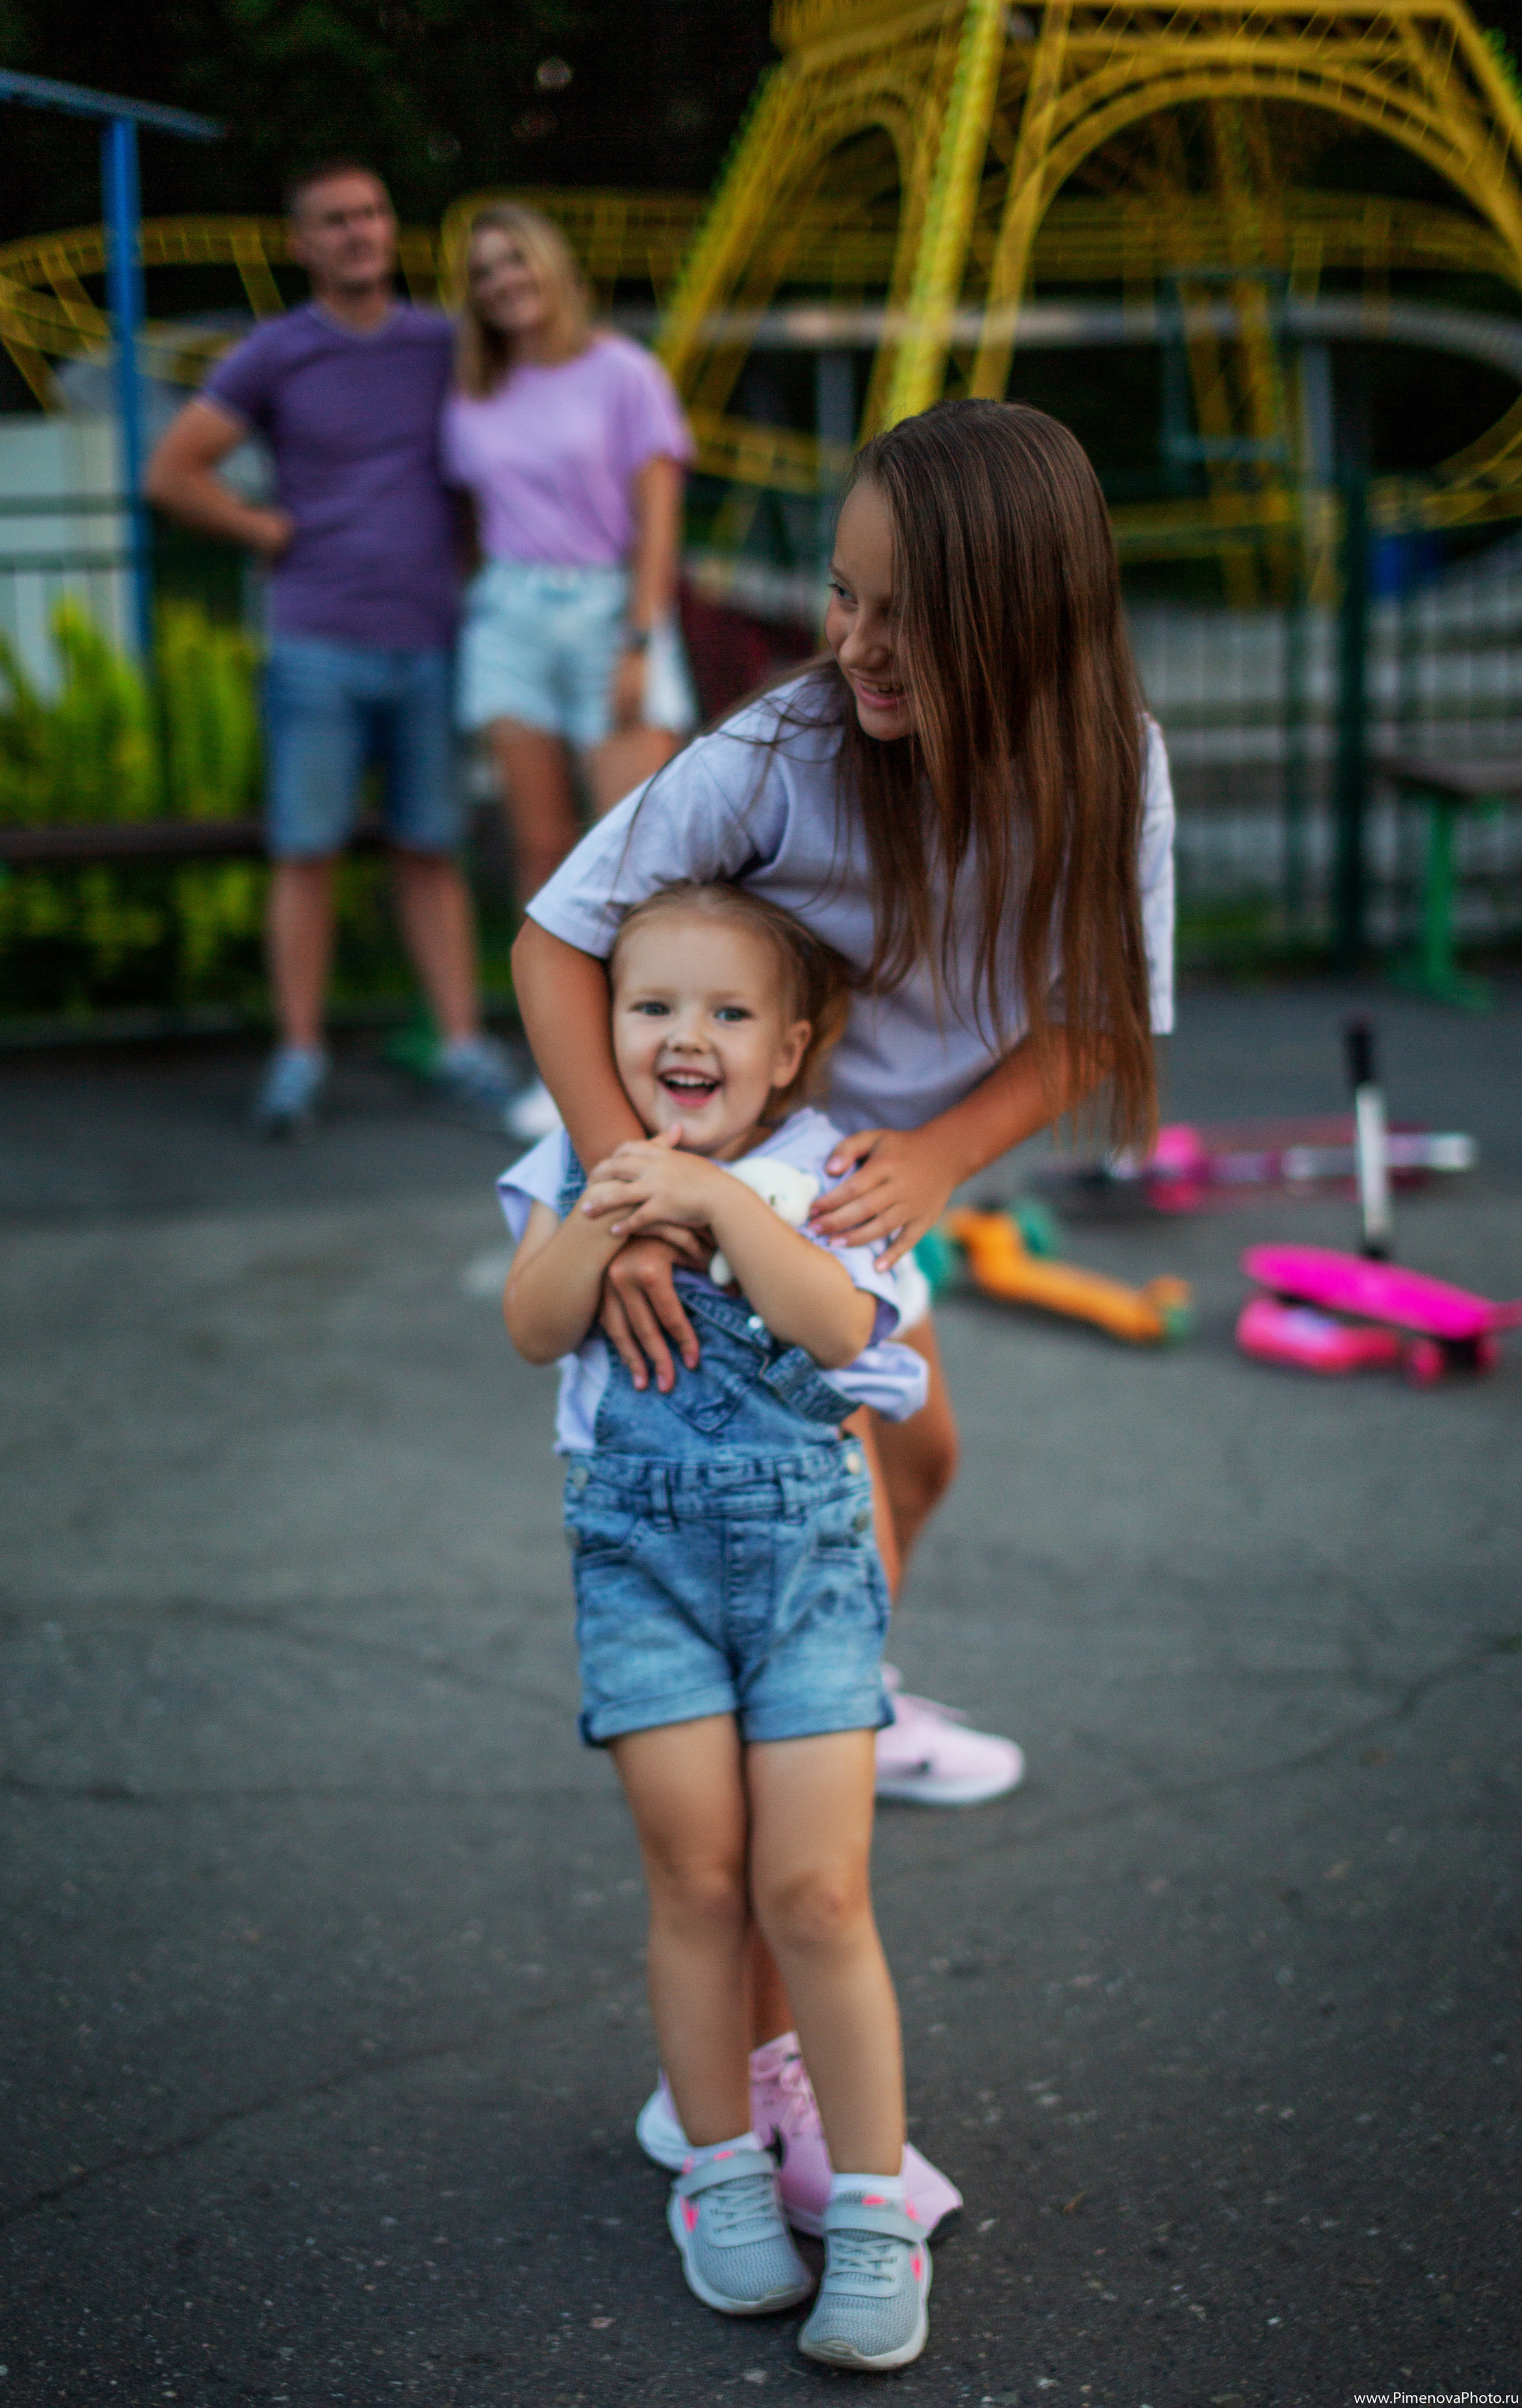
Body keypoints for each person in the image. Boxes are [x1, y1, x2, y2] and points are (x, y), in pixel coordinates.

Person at [509, 395, 1175, 2173]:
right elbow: (556, 938)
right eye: (843, 591)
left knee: (926, 1465)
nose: (855, 642)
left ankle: (839, 1696)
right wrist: (630, 1192)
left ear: (1022, 619)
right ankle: (755, 2070)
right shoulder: (776, 754)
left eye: (903, 613)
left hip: (869, 1188)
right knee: (836, 1548)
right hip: (733, 1177)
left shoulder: (1113, 767)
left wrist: (952, 1156)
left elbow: (1098, 1016)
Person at [499, 880, 943, 2369]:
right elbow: (534, 1322)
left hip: (809, 1568)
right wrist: (616, 1200)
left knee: (813, 1893)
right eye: (649, 1007)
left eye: (726, 1012)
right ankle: (718, 2173)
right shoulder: (580, 1152)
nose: (684, 1037)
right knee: (695, 1880)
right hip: (641, 1571)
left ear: (791, 1044)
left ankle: (874, 2215)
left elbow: (839, 1331)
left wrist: (715, 1206)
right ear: (607, 1026)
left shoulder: (839, 1173)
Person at [145, 159, 514, 1136]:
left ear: (393, 229)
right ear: (301, 244)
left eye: (373, 214)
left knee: (431, 850)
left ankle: (462, 1043)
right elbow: (175, 470)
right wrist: (265, 532)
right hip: (315, 645)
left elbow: (505, 458)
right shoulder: (275, 353)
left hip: (431, 640)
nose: (359, 232)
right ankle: (299, 1057)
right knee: (304, 855)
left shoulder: (446, 343)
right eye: (336, 220)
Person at [440, 202, 696, 1138]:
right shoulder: (475, 388)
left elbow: (658, 512)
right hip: (510, 614)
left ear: (550, 266)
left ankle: (667, 1067)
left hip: (608, 611)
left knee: (641, 857)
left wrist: (638, 636)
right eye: (484, 272)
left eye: (516, 262)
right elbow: (471, 514)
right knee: (544, 856)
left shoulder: (623, 373)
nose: (504, 283)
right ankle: (567, 1073)